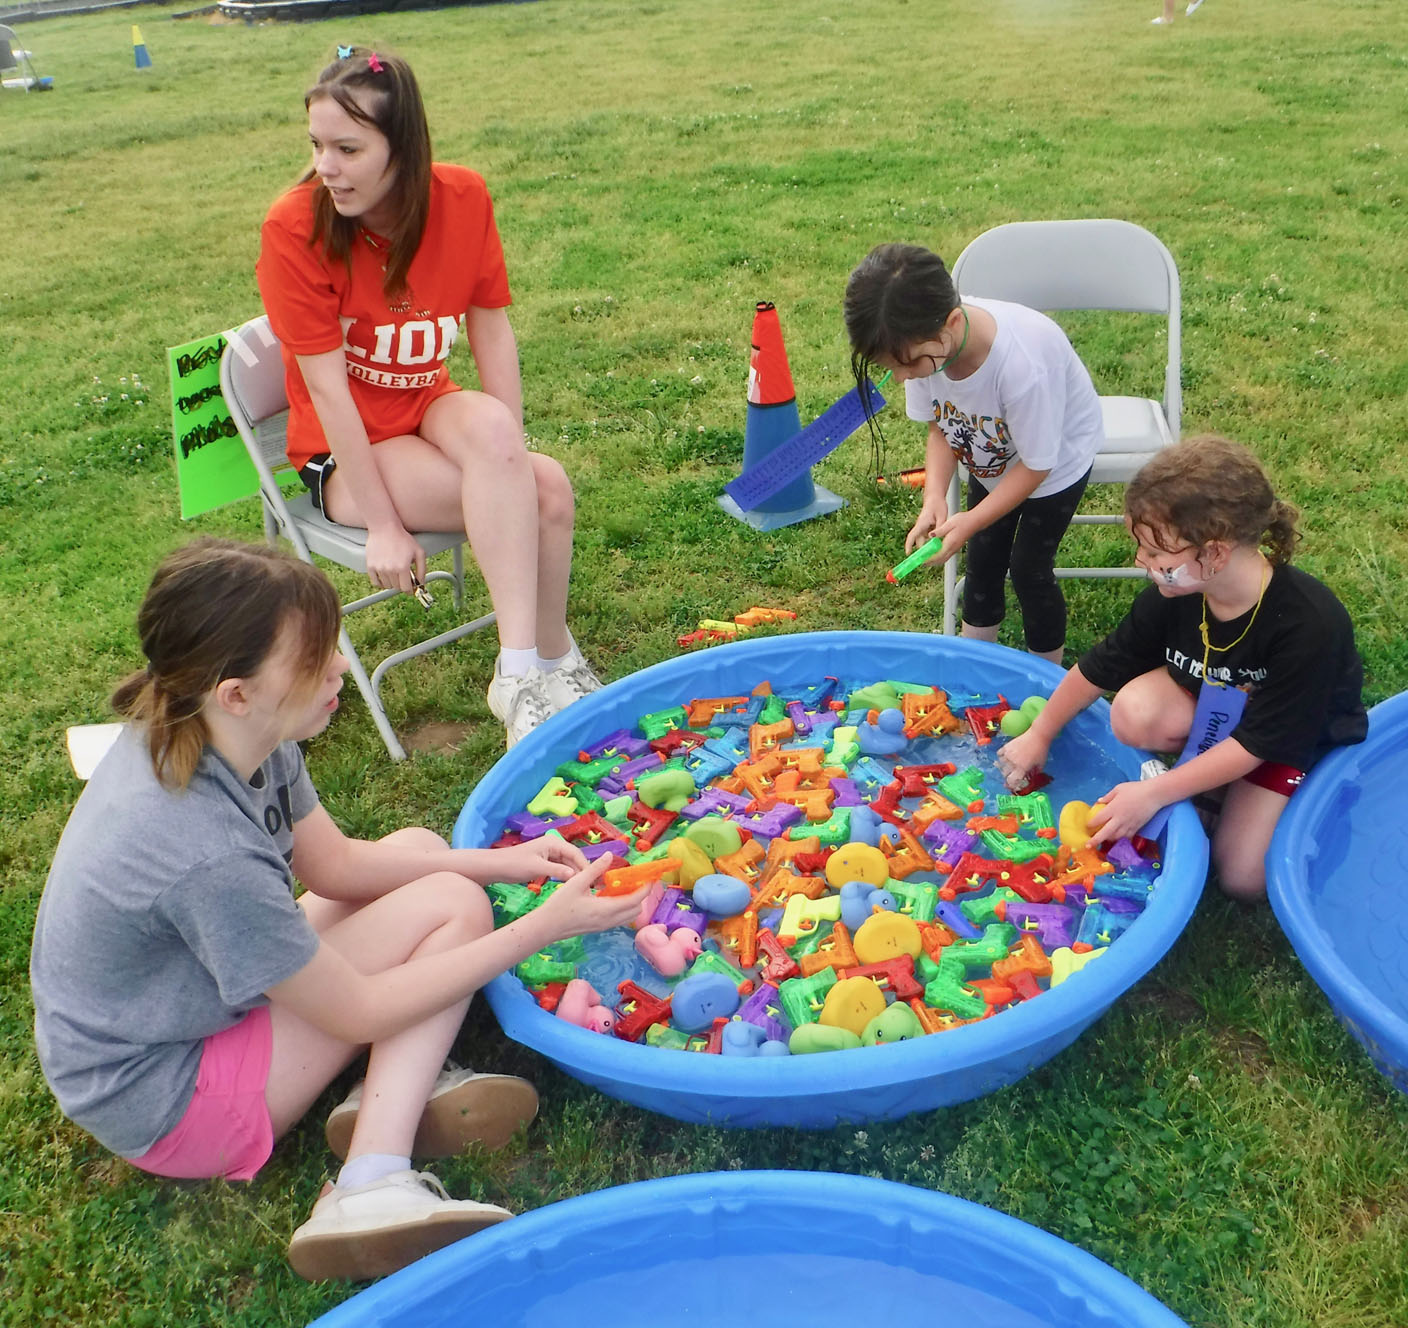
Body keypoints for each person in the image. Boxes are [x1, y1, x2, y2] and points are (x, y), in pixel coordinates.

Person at [30, 538, 647, 1282]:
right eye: (316, 658)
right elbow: (355, 1010)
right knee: (455, 909)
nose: (341, 669)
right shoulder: (201, 849)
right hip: (168, 1097)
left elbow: (338, 867)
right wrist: (542, 925)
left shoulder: (232, 729)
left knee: (423, 850)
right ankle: (369, 1183)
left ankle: (394, 1085)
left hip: (192, 1008)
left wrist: (500, 861)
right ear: (236, 690)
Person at [256, 46, 598, 747]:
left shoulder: (462, 198)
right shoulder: (295, 226)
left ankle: (537, 665)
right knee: (547, 493)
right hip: (344, 451)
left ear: (402, 146)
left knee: (535, 474)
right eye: (318, 145)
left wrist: (507, 456)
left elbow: (492, 333)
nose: (327, 167)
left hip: (425, 405)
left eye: (348, 149)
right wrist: (382, 524)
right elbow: (325, 389)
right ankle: (534, 668)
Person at [996, 436, 1367, 901]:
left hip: (1292, 742)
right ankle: (1214, 789)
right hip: (1227, 718)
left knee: (1244, 878)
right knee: (1133, 710)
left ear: (1214, 553)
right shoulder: (1178, 596)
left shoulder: (1308, 625)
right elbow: (1102, 665)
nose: (1141, 562)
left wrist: (1156, 792)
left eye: (1156, 554)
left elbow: (1259, 743)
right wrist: (1041, 733)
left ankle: (1287, 796)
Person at [845, 242, 1104, 664]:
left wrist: (969, 520)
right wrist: (934, 498)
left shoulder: (1023, 367)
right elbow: (940, 426)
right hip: (990, 457)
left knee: (1028, 570)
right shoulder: (921, 343)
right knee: (982, 561)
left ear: (950, 322)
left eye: (906, 366)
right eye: (891, 367)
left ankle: (1046, 676)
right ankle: (974, 666)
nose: (899, 378)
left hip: (1055, 466)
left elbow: (1038, 465)